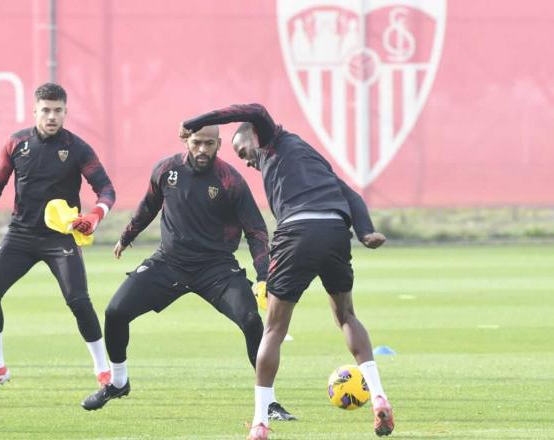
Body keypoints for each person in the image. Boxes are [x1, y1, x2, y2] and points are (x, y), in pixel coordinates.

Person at [180, 104, 394, 439]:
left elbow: (251, 109)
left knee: (274, 330)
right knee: (347, 316)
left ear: (256, 136)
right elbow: (348, 192)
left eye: (243, 151)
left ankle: (260, 423)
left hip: (297, 232)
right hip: (335, 231)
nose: (246, 161)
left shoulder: (272, 140)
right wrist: (365, 232)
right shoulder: (311, 159)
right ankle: (379, 395)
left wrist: (198, 121)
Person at [80, 125, 295, 422]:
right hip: (169, 263)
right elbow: (148, 207)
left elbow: (256, 230)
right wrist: (126, 237)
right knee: (115, 311)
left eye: (210, 144)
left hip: (217, 268)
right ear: (185, 141)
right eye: (197, 143)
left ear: (219, 143)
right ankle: (118, 383)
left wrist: (263, 276)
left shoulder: (230, 180)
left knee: (250, 320)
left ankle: (269, 402)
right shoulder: (166, 170)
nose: (203, 149)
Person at [0, 83, 116, 397]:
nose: (51, 116)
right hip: (21, 235)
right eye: (45, 110)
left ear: (65, 112)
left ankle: (104, 369)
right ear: (34, 110)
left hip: (60, 238)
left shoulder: (77, 148)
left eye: (57, 110)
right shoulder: (16, 143)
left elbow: (106, 190)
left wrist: (94, 216)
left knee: (78, 300)